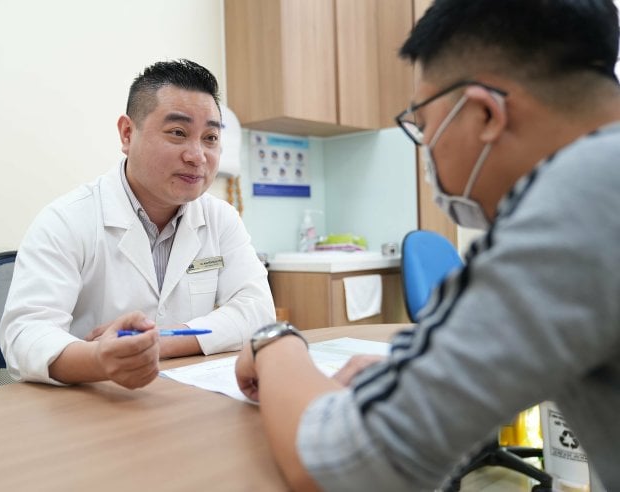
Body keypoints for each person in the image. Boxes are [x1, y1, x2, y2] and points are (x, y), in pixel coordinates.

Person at [234, 0, 620, 490]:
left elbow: (344, 463)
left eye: (423, 124)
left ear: (484, 113)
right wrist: (426, 372)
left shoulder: (576, 200)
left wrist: (275, 342)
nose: (427, 149)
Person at [0, 59, 275, 389]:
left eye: (211, 138)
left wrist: (161, 342)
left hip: (181, 396)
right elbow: (24, 334)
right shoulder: (66, 219)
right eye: (178, 133)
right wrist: (99, 359)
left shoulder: (221, 218)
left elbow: (257, 310)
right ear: (128, 133)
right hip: (87, 402)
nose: (198, 156)